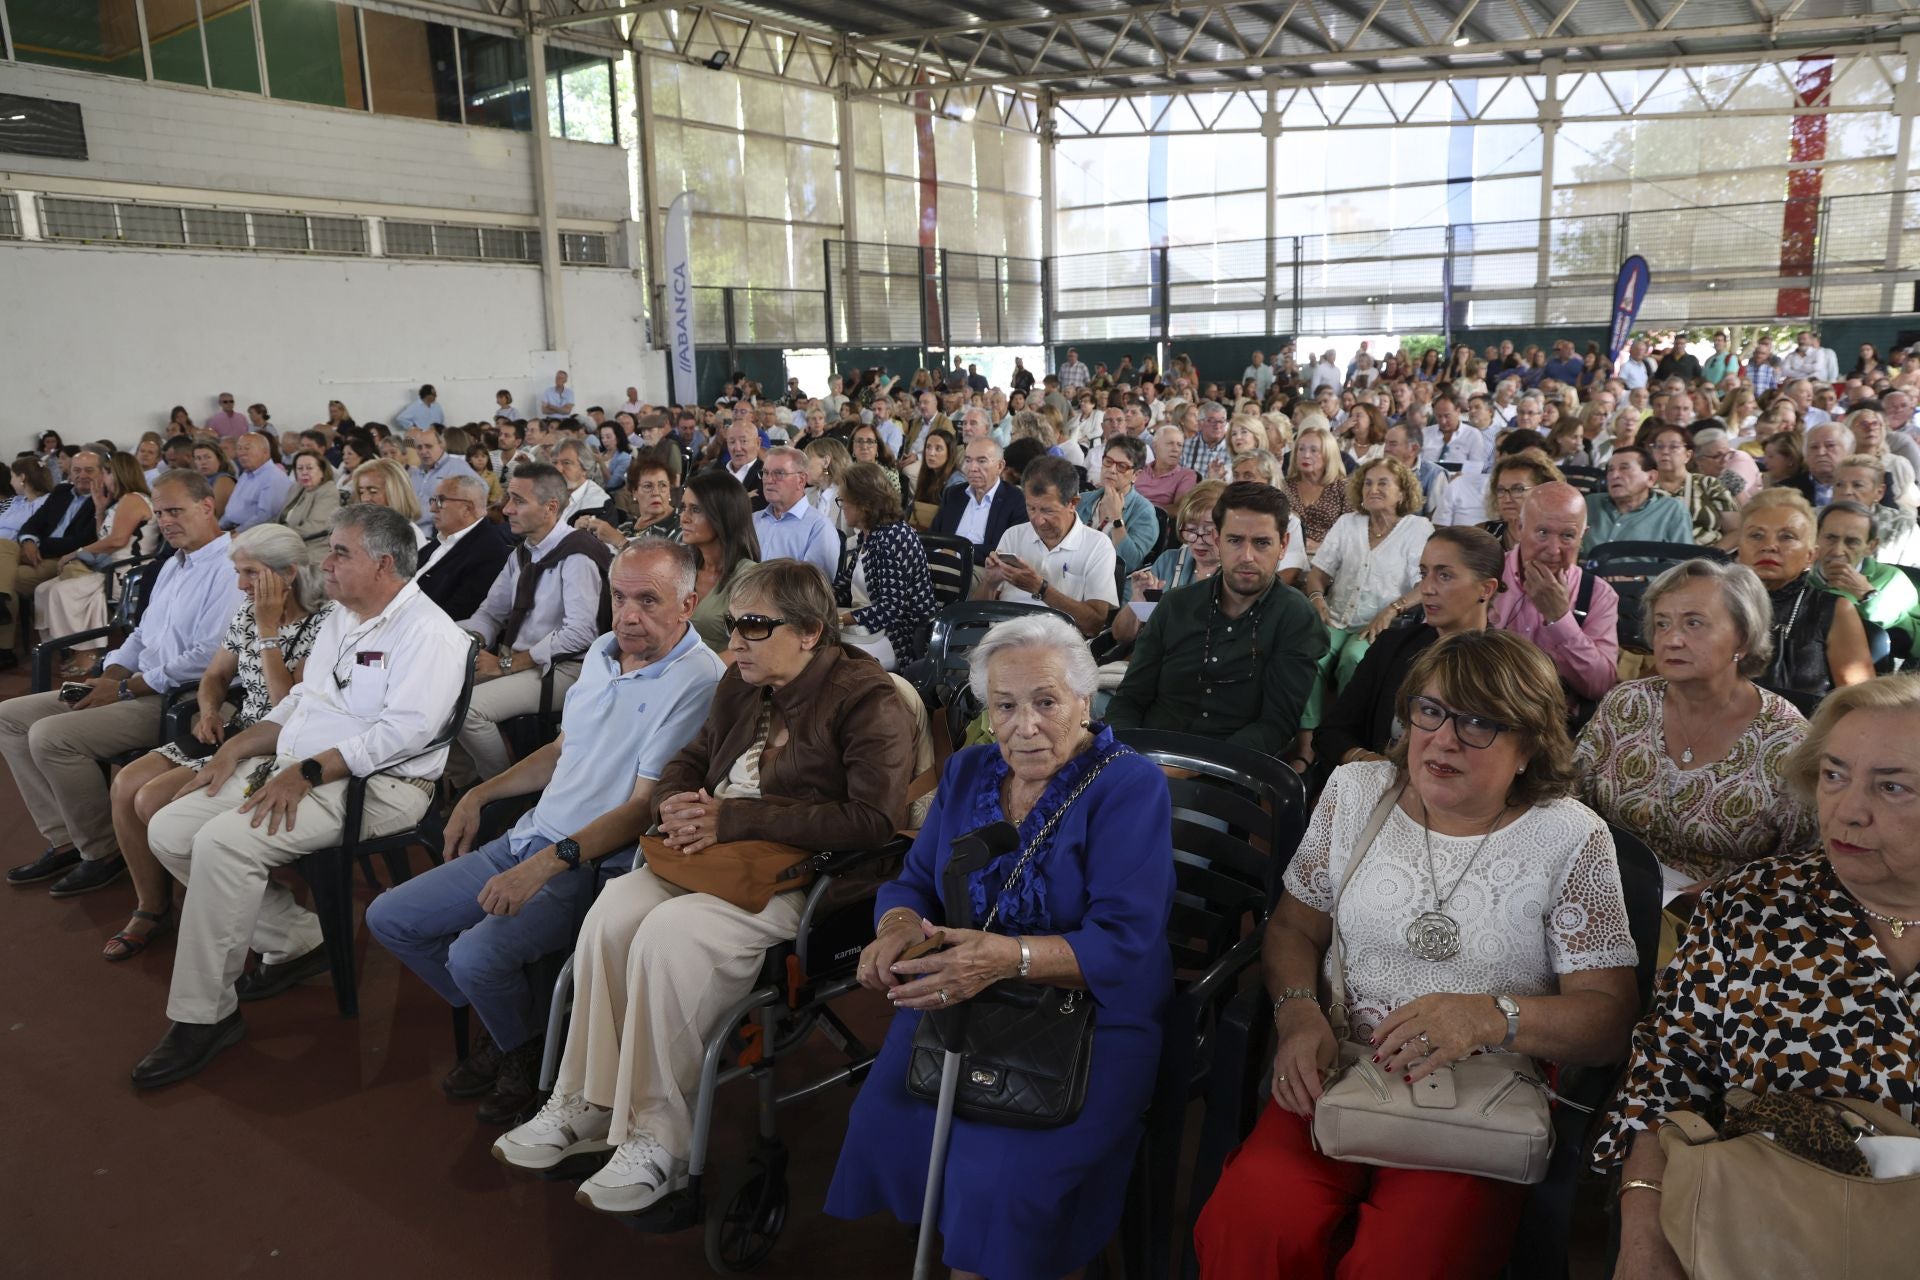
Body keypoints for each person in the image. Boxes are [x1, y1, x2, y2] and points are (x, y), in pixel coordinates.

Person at [1195, 630, 1639, 1277]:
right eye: (1430, 711)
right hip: (1339, 1069)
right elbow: (1294, 929)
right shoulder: (1355, 793)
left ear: (1531, 744)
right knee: (1255, 1225)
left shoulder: (1568, 837)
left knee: (1403, 1262)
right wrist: (1297, 1013)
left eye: (1480, 722)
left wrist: (1491, 1018)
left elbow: (1608, 1018)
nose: (1444, 738)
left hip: (1478, 1097)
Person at [492, 560, 915, 1210]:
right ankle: (588, 1101)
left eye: (753, 626)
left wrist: (734, 817)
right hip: (710, 848)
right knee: (611, 911)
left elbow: (873, 819)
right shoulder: (743, 682)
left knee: (667, 935)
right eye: (733, 625)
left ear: (808, 631)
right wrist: (676, 803)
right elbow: (692, 756)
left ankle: (660, 1143)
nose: (735, 642)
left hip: (799, 875)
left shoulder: (867, 697)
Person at [824, 612, 1173, 1277]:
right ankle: (959, 1244)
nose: (1025, 724)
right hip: (968, 998)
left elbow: (1125, 944)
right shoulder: (969, 773)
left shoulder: (1129, 787)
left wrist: (1008, 959)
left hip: (1089, 1015)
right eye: (1005, 705)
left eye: (1046, 702)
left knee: (998, 1180)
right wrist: (896, 930)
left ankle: (987, 1259)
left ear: (1084, 699)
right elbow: (917, 881)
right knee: (887, 1119)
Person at [367, 541, 726, 1122]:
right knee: (390, 919)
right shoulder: (605, 651)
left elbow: (641, 809)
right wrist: (481, 794)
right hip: (532, 836)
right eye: (619, 597)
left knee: (473, 958)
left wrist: (547, 862)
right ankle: (524, 1026)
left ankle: (521, 1041)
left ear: (688, 604)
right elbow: (561, 751)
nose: (628, 614)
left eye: (648, 600)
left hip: (586, 860)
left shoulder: (696, 679)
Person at [131, 505, 470, 1088]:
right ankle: (298, 938)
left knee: (222, 844)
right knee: (169, 828)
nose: (325, 563)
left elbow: (403, 734)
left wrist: (310, 771)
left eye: (341, 552)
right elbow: (300, 704)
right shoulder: (344, 615)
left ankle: (204, 1018)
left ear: (384, 563)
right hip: (298, 764)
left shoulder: (430, 633)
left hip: (380, 785)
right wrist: (236, 749)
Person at [1597, 676, 1920, 1280]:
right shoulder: (1749, 905)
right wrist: (1643, 1238)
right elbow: (1663, 1082)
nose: (1847, 809)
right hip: (1753, 1239)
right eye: (1834, 774)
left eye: (1892, 786)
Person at [2, 469, 243, 899]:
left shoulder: (229, 568)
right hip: (135, 684)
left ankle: (102, 849)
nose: (165, 521)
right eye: (160, 513)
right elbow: (140, 635)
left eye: (175, 511)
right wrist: (110, 672)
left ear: (207, 508)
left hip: (179, 697)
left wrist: (128, 687)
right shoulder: (173, 563)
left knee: (51, 737)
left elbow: (208, 658)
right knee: (9, 717)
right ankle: (66, 838)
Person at [101, 525, 333, 962]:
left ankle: (245, 902)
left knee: (153, 801)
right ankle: (152, 905)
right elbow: (215, 676)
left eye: (250, 573)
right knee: (126, 784)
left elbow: (288, 706)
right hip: (238, 726)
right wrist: (208, 710)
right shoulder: (247, 611)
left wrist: (268, 631)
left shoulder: (323, 623)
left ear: (287, 574)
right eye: (238, 572)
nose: (241, 585)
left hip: (279, 742)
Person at [1577, 559, 1817, 912]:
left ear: (1743, 637)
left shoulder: (1788, 741)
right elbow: (1570, 795)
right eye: (1662, 624)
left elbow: (1806, 863)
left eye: (1694, 623)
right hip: (1601, 894)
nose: (1672, 639)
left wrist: (1733, 888)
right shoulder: (1626, 704)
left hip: (1724, 919)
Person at [1107, 482, 1327, 754]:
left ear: (1282, 546)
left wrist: (1188, 770)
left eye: (1261, 543)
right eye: (1235, 540)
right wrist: (1126, 755)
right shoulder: (1175, 606)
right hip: (1146, 754)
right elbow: (1130, 698)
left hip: (1232, 770)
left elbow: (1275, 725)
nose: (1247, 556)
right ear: (1218, 540)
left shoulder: (1296, 618)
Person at [455, 463, 610, 782]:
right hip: (520, 660)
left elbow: (581, 633)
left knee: (469, 710)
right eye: (509, 498)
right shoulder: (524, 553)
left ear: (550, 508)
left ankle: (501, 789)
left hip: (566, 668)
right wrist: (465, 642)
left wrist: (507, 664)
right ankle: (463, 777)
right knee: (438, 691)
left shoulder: (577, 555)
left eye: (518, 500)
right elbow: (489, 613)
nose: (507, 508)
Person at [1314, 526, 1505, 776]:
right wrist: (1369, 762)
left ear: (1486, 589)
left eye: (1444, 576)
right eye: (1423, 573)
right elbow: (1330, 732)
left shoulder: (1506, 668)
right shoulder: (1391, 647)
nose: (1427, 588)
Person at [1301, 457, 1434, 745]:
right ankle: (1307, 739)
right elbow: (1318, 573)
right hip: (1334, 616)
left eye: (1383, 483)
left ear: (1402, 492)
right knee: (1311, 655)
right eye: (1368, 483)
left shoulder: (1417, 528)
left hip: (1384, 624)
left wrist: (1392, 609)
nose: (1373, 489)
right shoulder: (1348, 523)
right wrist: (1316, 598)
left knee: (1354, 659)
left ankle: (1348, 735)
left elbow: (1426, 584)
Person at [1734, 489, 1875, 698]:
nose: (1769, 546)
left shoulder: (1835, 610)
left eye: (1787, 537)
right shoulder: (1713, 602)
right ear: (1739, 548)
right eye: (1756, 535)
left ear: (1811, 555)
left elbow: (1861, 701)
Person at [1489, 482, 1621, 705]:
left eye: (1568, 536)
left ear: (1583, 536)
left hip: (1555, 720)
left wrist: (1560, 618)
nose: (1553, 550)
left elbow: (1602, 686)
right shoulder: (1486, 573)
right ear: (1519, 527)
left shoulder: (1598, 594)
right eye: (1542, 533)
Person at [33, 452, 155, 673]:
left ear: (117, 474)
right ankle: (66, 646)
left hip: (124, 571)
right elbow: (105, 537)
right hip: (109, 566)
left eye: (106, 472)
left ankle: (87, 652)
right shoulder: (121, 501)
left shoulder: (133, 499)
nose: (104, 479)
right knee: (43, 589)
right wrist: (100, 509)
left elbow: (117, 540)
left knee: (63, 591)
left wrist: (75, 553)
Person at [975, 454, 1119, 638]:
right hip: (1004, 637)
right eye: (1031, 508)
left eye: (1048, 510)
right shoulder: (1014, 535)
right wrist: (990, 583)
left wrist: (1041, 588)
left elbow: (1093, 625)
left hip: (1058, 646)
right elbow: (977, 613)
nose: (1038, 521)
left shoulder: (1097, 546)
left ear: (1073, 503)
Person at [832, 461, 936, 671]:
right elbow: (845, 584)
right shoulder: (869, 534)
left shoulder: (893, 537)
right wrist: (816, 602)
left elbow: (890, 610)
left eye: (844, 500)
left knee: (830, 660)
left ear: (863, 504)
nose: (841, 505)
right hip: (870, 627)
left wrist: (838, 619)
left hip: (899, 636)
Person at [0, 449, 102, 655]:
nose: (82, 475)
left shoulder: (102, 500)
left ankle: (5, 649)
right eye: (77, 470)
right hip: (35, 553)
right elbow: (32, 523)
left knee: (8, 581)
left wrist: (38, 546)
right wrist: (28, 539)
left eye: (89, 470)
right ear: (70, 473)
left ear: (101, 472)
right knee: (5, 546)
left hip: (63, 560)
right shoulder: (62, 492)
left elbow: (82, 541)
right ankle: (5, 647)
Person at [1815, 499, 1920, 647]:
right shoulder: (1798, 577)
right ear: (1816, 537)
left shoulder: (1892, 580)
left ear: (1870, 546)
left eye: (1851, 542)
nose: (1838, 551)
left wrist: (1867, 595)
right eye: (1830, 538)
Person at [681, 471, 760, 653]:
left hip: (718, 677)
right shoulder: (682, 567)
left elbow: (749, 648)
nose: (684, 518)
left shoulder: (750, 577)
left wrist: (691, 678)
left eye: (696, 509)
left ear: (723, 515)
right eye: (683, 507)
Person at [750, 446, 841, 587]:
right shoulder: (752, 521)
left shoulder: (819, 527)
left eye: (779, 473)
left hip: (788, 607)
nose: (768, 480)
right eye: (766, 473)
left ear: (801, 480)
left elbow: (813, 589)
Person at [1581, 447, 1694, 554]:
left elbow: (1682, 563)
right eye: (1610, 470)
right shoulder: (1589, 504)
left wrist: (1641, 575)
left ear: (1651, 478)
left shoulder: (1671, 510)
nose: (1614, 475)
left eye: (1624, 468)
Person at [1078, 435, 1159, 585]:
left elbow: (1130, 563)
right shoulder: (1082, 500)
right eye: (1108, 462)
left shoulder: (1145, 512)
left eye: (1122, 466)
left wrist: (1116, 518)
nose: (1112, 470)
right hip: (1073, 573)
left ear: (1136, 475)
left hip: (1111, 584)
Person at [932, 437, 1026, 564]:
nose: (972, 468)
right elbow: (933, 535)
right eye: (968, 460)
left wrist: (958, 553)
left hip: (982, 567)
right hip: (940, 561)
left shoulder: (1015, 499)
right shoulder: (953, 494)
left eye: (982, 461)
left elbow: (1006, 550)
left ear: (1000, 466)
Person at [1283, 422, 1350, 554]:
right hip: (1287, 554)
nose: (1306, 455)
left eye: (1314, 450)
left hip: (1329, 556)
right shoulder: (1284, 486)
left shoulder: (1343, 488)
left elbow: (1351, 532)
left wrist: (1321, 547)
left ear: (1328, 455)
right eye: (1301, 449)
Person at [406, 427, 479, 536]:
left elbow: (481, 493)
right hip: (409, 531)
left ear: (441, 445)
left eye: (428, 446)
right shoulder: (414, 473)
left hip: (437, 535)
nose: (423, 451)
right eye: (419, 447)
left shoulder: (456, 466)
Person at [276, 449, 340, 564]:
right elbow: (280, 517)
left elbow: (315, 527)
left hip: (311, 549)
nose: (304, 472)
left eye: (309, 468)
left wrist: (280, 536)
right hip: (287, 543)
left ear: (321, 471)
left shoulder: (328, 491)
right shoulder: (296, 487)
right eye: (300, 468)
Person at [349, 458, 429, 548]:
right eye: (361, 492)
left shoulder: (407, 535)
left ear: (395, 493)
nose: (365, 499)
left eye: (373, 491)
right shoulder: (362, 530)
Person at [909, 426, 961, 528]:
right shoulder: (929, 475)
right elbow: (913, 507)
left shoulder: (956, 481)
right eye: (928, 447)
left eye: (938, 448)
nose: (931, 453)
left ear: (949, 453)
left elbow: (950, 521)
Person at [553, 440, 614, 528]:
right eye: (555, 463)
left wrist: (574, 530)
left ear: (584, 468)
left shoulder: (598, 504)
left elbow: (595, 541)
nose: (558, 469)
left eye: (566, 463)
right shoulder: (549, 494)